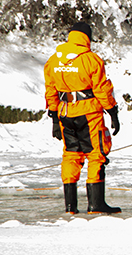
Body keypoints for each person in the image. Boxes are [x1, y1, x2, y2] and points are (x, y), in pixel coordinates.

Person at [44, 22, 121, 215]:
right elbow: (102, 89)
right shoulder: (91, 60)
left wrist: (54, 118)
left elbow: (50, 90)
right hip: (88, 112)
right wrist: (112, 112)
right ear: (87, 37)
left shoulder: (53, 61)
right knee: (96, 154)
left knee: (71, 155)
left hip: (65, 112)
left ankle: (70, 207)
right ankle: (96, 205)